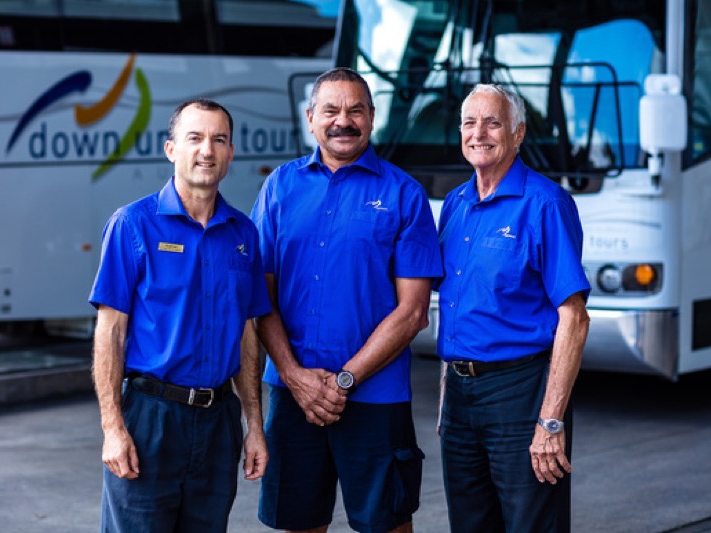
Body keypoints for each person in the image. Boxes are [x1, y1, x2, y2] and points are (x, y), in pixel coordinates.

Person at [250, 67, 443, 533]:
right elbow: (260, 296)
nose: (344, 120)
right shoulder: (280, 187)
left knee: (386, 524)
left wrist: (343, 380)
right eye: (332, 110)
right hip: (292, 394)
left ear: (372, 118)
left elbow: (413, 310)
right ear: (311, 118)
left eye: (356, 110)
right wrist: (295, 377)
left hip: (376, 397)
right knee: (298, 523)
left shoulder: (404, 194)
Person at [88, 98, 272, 532]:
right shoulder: (133, 225)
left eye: (218, 140)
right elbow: (110, 333)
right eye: (195, 138)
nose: (206, 150)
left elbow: (248, 334)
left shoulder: (244, 234)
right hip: (151, 418)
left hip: (218, 421)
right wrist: (113, 427)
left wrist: (254, 425)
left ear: (230, 153)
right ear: (171, 149)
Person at [435, 83, 591, 533]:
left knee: (530, 523)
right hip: (462, 400)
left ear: (518, 133)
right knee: (470, 524)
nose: (478, 133)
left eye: (493, 122)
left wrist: (551, 419)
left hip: (521, 393)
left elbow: (574, 317)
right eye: (469, 122)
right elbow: (457, 306)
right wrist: (448, 396)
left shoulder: (545, 203)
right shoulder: (456, 205)